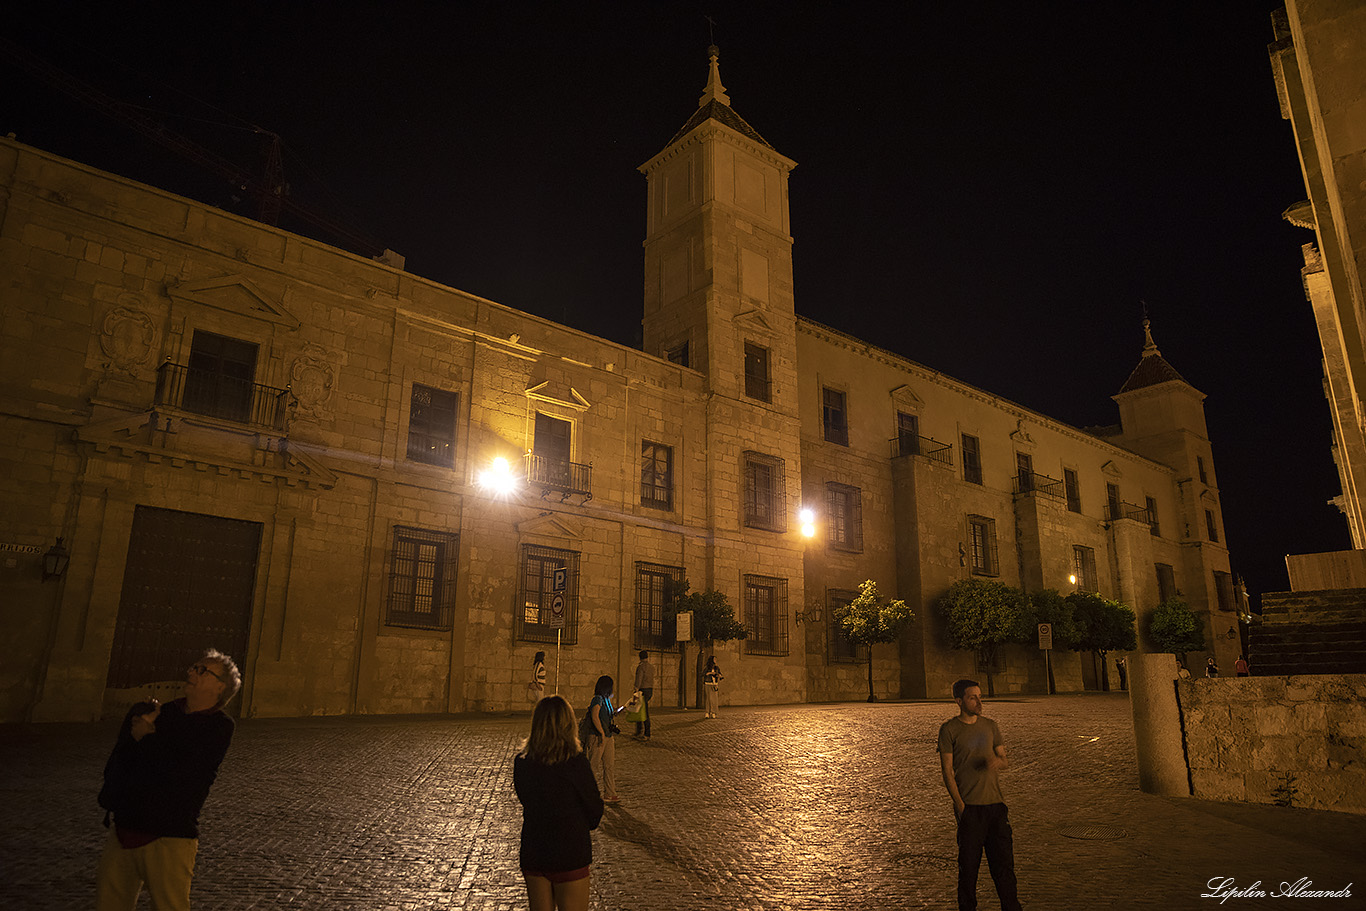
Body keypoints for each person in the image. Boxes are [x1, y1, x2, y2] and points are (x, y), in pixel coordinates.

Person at [95, 649, 241, 911]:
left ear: (220, 686)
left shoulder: (220, 726)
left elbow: (184, 770)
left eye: (201, 670)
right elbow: (125, 759)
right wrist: (135, 732)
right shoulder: (162, 712)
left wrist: (146, 736)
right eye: (193, 667)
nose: (190, 672)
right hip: (124, 830)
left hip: (169, 837)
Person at [938, 678, 1024, 911]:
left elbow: (1004, 760)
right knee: (968, 870)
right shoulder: (949, 730)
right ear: (959, 701)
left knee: (1004, 868)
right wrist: (960, 805)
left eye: (979, 696)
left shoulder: (990, 726)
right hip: (970, 809)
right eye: (972, 697)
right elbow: (947, 770)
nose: (978, 701)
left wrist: (996, 762)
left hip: (996, 807)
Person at [513, 695, 604, 911]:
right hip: (569, 852)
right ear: (568, 724)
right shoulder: (575, 763)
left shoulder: (522, 763)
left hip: (535, 851)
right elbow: (594, 812)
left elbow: (527, 799)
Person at [586, 675, 625, 804]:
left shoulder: (606, 699)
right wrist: (601, 732)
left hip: (608, 736)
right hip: (598, 737)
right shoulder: (597, 699)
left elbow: (608, 714)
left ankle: (610, 793)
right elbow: (594, 715)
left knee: (609, 766)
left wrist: (619, 710)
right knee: (593, 766)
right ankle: (588, 794)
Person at [633, 650, 654, 740]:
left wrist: (636, 689)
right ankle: (639, 731)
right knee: (640, 710)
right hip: (650, 689)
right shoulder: (651, 667)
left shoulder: (641, 667)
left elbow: (639, 678)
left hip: (642, 690)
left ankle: (646, 733)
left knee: (643, 712)